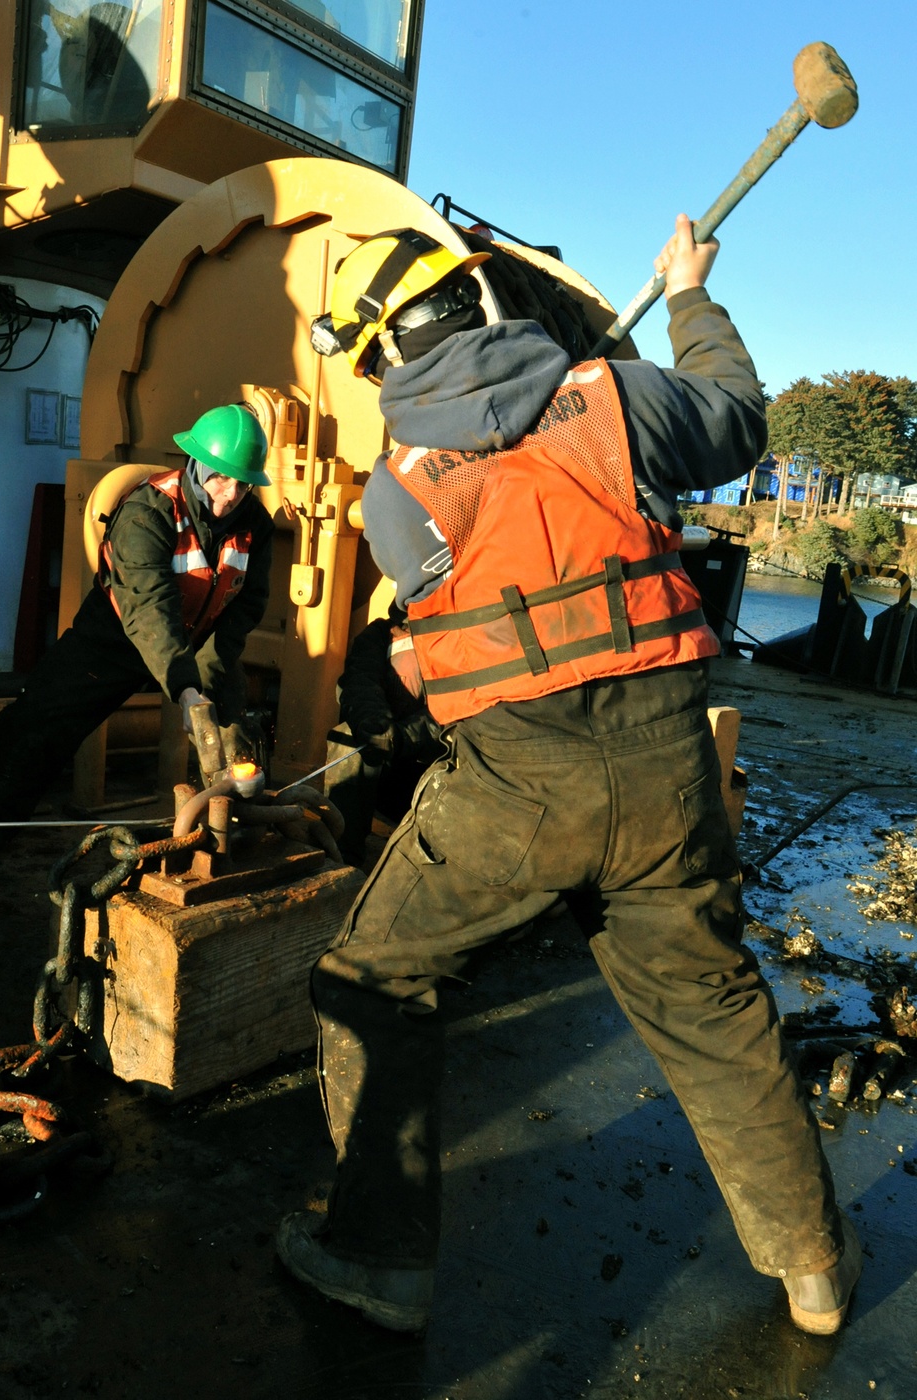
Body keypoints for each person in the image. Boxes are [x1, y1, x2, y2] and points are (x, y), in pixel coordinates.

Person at [276, 220, 861, 1336]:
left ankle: (378, 1259)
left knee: (371, 980)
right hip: (667, 777)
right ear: (488, 300)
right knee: (711, 1001)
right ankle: (812, 1266)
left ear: (377, 362)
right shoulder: (618, 397)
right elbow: (736, 416)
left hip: (518, 789)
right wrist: (689, 297)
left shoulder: (395, 498)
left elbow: (454, 602)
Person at [0, 403, 274, 862]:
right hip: (117, 636)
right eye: (220, 478)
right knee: (35, 720)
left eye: (242, 484)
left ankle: (231, 833)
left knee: (235, 740)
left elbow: (247, 603)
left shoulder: (255, 523)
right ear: (195, 464)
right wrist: (185, 690)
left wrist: (209, 673)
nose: (229, 494)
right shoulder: (148, 512)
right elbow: (148, 608)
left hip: (201, 643)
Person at [325, 606, 445, 867]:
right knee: (346, 736)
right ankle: (342, 860)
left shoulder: (461, 633)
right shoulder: (380, 634)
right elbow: (359, 683)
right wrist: (375, 728)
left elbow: (458, 711)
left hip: (440, 779)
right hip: (385, 774)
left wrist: (403, 737)